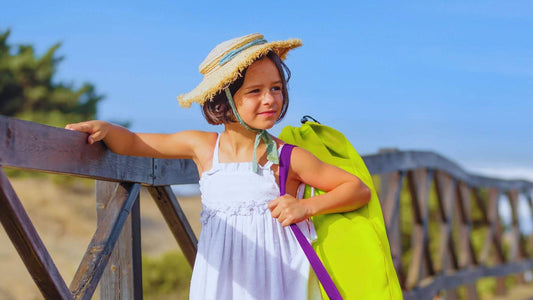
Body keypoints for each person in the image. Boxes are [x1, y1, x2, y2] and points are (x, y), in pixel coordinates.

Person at [66, 33, 371, 300]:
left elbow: (357, 189)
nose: (270, 99)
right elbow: (134, 142)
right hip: (219, 283)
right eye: (255, 91)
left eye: (276, 88)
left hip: (279, 284)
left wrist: (307, 207)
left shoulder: (287, 157)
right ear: (223, 99)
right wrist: (105, 128)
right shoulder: (203, 147)